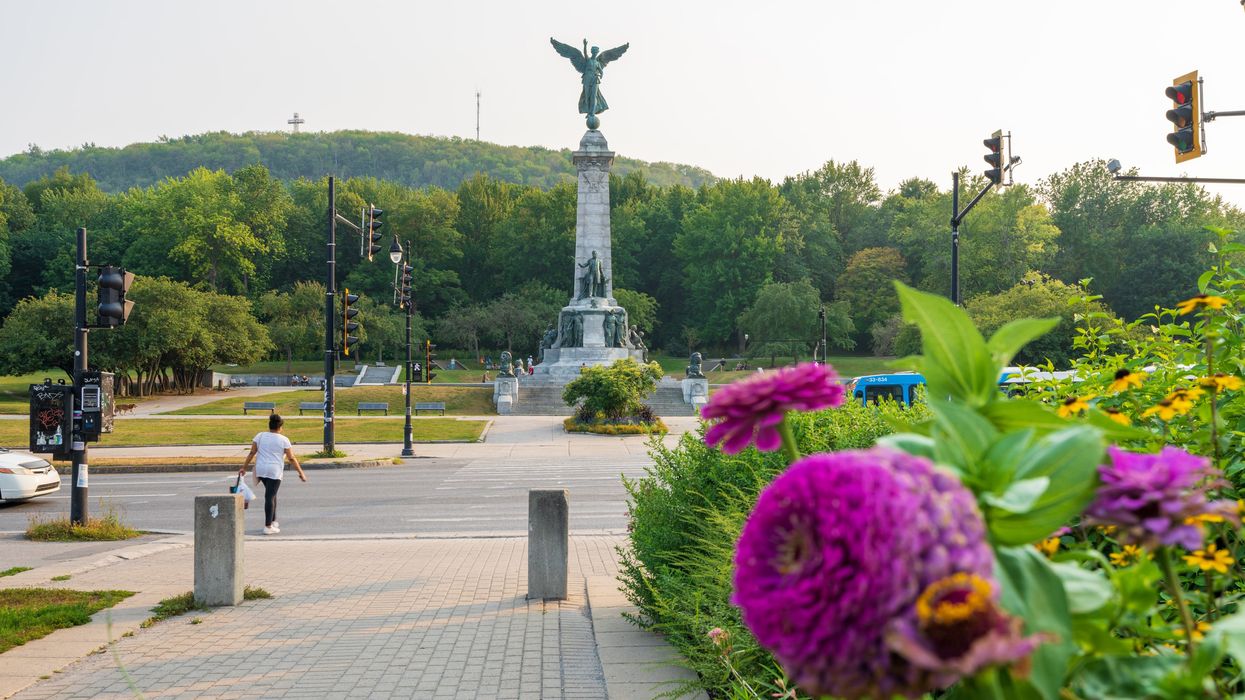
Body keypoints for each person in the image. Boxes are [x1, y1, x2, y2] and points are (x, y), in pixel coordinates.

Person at [239, 414, 307, 535]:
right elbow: (291, 458)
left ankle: (273, 521)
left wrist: (244, 467)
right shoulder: (283, 439)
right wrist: (301, 473)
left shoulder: (259, 436)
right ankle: (268, 526)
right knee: (270, 496)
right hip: (274, 471)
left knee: (272, 494)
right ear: (280, 427)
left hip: (261, 470)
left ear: (269, 425)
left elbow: (251, 453)